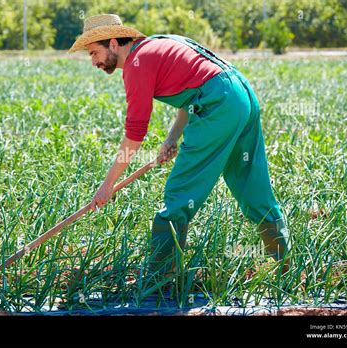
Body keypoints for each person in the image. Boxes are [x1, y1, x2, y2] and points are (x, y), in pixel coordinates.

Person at [68, 14, 290, 288]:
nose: (93, 62)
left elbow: (134, 134)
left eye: (94, 52)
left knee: (178, 196)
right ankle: (288, 270)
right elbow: (196, 88)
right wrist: (172, 139)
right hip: (240, 95)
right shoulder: (159, 43)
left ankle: (158, 284)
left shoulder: (136, 65)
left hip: (218, 106)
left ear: (113, 43)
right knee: (252, 188)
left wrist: (107, 185)